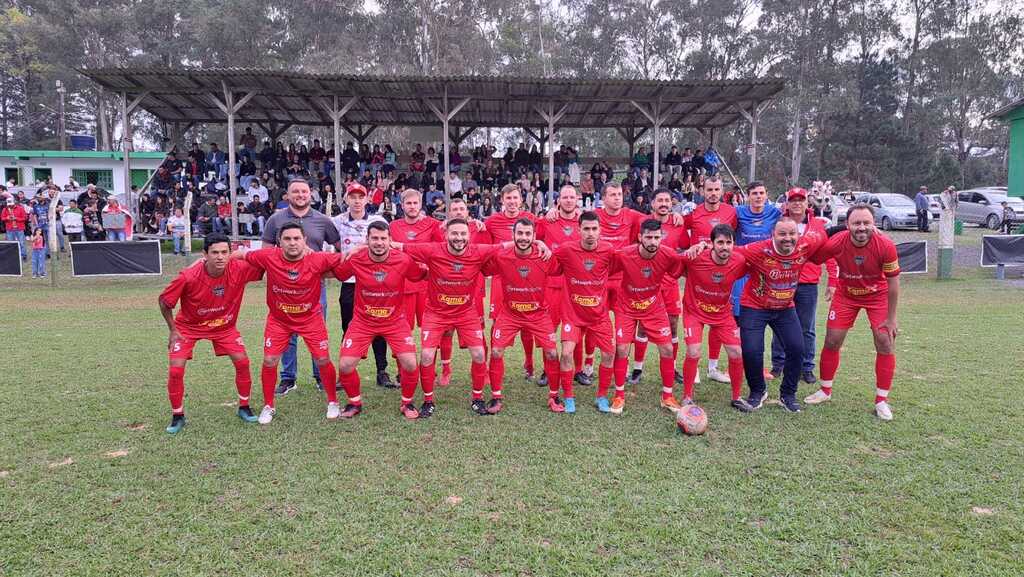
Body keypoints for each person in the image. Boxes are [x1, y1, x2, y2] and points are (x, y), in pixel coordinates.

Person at [158, 233, 265, 433]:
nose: (220, 257)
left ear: (230, 253)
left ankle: (244, 406)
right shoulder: (188, 276)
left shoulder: (239, 269)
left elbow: (266, 261)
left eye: (225, 252)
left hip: (224, 326)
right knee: (175, 369)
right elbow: (164, 301)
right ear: (204, 254)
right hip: (188, 328)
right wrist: (173, 330)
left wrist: (242, 255)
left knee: (242, 361)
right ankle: (177, 415)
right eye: (214, 252)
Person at [239, 222, 344, 424]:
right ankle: (269, 405)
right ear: (279, 241)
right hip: (279, 320)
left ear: (305, 241)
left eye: (297, 238)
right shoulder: (268, 256)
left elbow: (345, 259)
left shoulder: (318, 258)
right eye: (287, 239)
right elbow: (239, 255)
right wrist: (201, 262)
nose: (292, 243)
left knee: (322, 359)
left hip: (311, 318)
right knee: (269, 360)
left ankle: (333, 401)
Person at [805, 204, 901, 421]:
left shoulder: (885, 245)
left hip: (877, 296)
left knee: (884, 340)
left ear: (874, 224)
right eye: (856, 223)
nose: (861, 228)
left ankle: (881, 400)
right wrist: (822, 234)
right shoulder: (838, 242)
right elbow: (814, 258)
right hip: (846, 295)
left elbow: (894, 285)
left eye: (866, 223)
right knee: (832, 340)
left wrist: (892, 318)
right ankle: (825, 390)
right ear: (847, 225)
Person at [731, 218, 827, 413]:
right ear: (773, 235)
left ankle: (788, 395)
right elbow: (730, 251)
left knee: (797, 348)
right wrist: (701, 247)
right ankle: (758, 391)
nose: (788, 238)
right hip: (754, 306)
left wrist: (849, 227)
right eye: (782, 234)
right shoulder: (758, 249)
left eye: (792, 234)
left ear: (798, 235)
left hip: (785, 307)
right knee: (751, 351)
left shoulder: (806, 245)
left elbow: (828, 234)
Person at [333, 222, 426, 419]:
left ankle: (407, 403)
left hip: (395, 321)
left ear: (390, 240)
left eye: (383, 238)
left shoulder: (402, 260)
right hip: (363, 321)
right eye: (374, 238)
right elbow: (338, 272)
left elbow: (419, 275)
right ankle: (354, 403)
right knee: (345, 366)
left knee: (410, 364)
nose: (379, 242)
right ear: (367, 240)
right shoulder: (357, 259)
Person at [261, 178, 342, 396]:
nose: (300, 195)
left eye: (304, 192)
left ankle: (320, 377)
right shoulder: (276, 220)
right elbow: (266, 250)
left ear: (311, 194)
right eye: (295, 192)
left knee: (317, 332)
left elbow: (340, 247)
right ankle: (288, 378)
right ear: (287, 195)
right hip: (284, 288)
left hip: (315, 287)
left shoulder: (322, 220)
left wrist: (323, 264)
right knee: (286, 333)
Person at [483, 218, 562, 414]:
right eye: (520, 233)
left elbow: (563, 267)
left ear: (534, 237)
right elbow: (482, 266)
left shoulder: (544, 257)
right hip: (510, 313)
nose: (523, 238)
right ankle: (496, 397)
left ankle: (554, 396)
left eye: (528, 234)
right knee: (496, 352)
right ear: (513, 235)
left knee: (552, 353)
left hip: (538, 314)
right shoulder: (502, 256)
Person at [608, 219, 686, 415]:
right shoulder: (624, 254)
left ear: (661, 238)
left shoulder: (668, 255)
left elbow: (683, 267)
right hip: (626, 306)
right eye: (649, 237)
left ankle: (667, 396)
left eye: (657, 237)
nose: (653, 241)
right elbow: (604, 268)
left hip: (654, 307)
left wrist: (696, 250)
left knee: (667, 349)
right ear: (640, 237)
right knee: (622, 348)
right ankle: (619, 395)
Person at [676, 224, 752, 412]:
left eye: (728, 242)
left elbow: (754, 267)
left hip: (722, 313)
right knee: (693, 352)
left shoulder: (739, 261)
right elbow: (675, 262)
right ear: (712, 244)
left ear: (734, 244)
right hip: (694, 312)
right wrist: (690, 249)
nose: (724, 247)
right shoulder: (696, 257)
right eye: (720, 242)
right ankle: (687, 396)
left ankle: (736, 397)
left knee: (736, 353)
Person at [768, 188, 838, 383]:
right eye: (793, 200)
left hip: (807, 283)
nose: (797, 203)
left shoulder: (818, 225)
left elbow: (829, 252)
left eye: (801, 200)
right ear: (787, 203)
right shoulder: (779, 224)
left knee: (806, 327)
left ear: (808, 203)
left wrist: (833, 281)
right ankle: (778, 365)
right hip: (783, 281)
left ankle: (806, 367)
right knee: (779, 324)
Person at [551, 211, 617, 413]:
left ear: (600, 230)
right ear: (579, 230)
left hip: (599, 315)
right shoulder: (566, 250)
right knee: (566, 354)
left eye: (594, 229)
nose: (590, 233)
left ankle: (602, 396)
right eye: (586, 229)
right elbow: (549, 263)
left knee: (609, 353)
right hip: (573, 314)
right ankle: (569, 397)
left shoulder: (608, 251)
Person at [332, 182, 393, 389]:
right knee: (348, 327)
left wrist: (360, 246)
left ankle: (382, 371)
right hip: (350, 283)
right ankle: (345, 372)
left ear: (368, 199)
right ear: (346, 199)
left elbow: (387, 243)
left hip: (376, 282)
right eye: (353, 197)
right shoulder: (337, 222)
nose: (357, 201)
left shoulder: (378, 220)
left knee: (380, 326)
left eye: (361, 197)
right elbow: (324, 243)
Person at [683, 176, 738, 384]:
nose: (713, 193)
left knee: (717, 319)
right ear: (702, 191)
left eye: (717, 189)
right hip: (698, 273)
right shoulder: (694, 213)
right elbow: (679, 228)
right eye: (709, 189)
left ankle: (713, 368)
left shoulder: (731, 212)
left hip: (722, 272)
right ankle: (693, 368)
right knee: (697, 318)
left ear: (721, 190)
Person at [485, 184, 541, 381]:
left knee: (526, 320)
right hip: (501, 278)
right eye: (508, 198)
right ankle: (493, 362)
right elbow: (487, 247)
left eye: (515, 198)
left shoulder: (532, 220)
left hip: (525, 277)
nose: (512, 201)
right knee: (496, 321)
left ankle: (529, 362)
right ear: (502, 200)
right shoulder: (492, 222)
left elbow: (540, 242)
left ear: (521, 199)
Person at [535, 185, 586, 385]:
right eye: (564, 197)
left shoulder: (584, 220)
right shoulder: (548, 220)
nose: (568, 200)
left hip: (577, 285)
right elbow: (531, 236)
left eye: (571, 197)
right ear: (558, 201)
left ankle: (578, 369)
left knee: (577, 328)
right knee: (547, 328)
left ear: (577, 200)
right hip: (551, 284)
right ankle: (548, 370)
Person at [389, 188, 444, 343]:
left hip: (427, 285)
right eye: (408, 203)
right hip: (403, 286)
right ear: (402, 205)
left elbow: (442, 249)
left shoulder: (433, 225)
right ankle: (404, 368)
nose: (412, 206)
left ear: (421, 204)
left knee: (431, 330)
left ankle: (430, 367)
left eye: (415, 203)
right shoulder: (393, 226)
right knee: (403, 330)